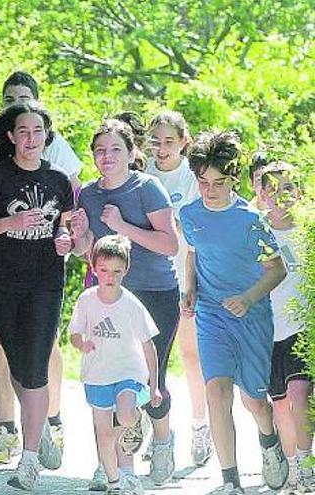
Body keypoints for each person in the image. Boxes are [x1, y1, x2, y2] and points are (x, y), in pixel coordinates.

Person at [71, 119, 180, 487]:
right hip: (108, 299)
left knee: (149, 383)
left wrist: (122, 225)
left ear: (131, 153)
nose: (107, 156)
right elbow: (87, 250)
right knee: (112, 380)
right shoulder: (88, 193)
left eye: (116, 149)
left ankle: (163, 439)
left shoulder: (147, 188)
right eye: (100, 150)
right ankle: (116, 466)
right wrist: (77, 237)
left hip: (153, 294)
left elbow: (170, 244)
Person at [179, 131, 288, 494]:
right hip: (212, 316)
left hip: (252, 316)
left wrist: (248, 297)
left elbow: (277, 269)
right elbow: (193, 253)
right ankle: (230, 481)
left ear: (234, 179)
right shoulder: (189, 213)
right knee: (217, 392)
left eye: (219, 183)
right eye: (203, 182)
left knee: (254, 400)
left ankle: (269, 439)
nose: (210, 190)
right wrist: (191, 289)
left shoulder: (250, 219)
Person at [0, 101, 74, 489]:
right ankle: (39, 429)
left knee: (34, 369)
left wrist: (68, 239)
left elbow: (67, 231)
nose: (31, 139)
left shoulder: (60, 180)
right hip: (0, 282)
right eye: (24, 132)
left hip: (45, 283)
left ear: (47, 137)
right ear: (12, 137)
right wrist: (11, 222)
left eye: (38, 132)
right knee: (18, 366)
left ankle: (28, 460)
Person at [144, 111, 213, 466]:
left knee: (190, 355)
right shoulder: (143, 173)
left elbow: (194, 230)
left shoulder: (191, 177)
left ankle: (201, 426)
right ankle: (149, 424)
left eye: (169, 141)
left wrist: (194, 283)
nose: (161, 148)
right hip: (150, 277)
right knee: (150, 359)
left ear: (184, 141)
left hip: (187, 274)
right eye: (155, 141)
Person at [69, 235, 161, 495]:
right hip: (97, 374)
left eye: (117, 271)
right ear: (94, 268)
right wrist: (80, 344)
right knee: (104, 435)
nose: (110, 276)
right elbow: (74, 332)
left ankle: (137, 421)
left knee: (124, 414)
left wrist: (154, 385)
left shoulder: (131, 304)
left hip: (128, 372)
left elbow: (147, 345)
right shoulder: (86, 300)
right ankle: (114, 481)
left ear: (125, 271)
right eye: (104, 270)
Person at [257, 161, 314, 492]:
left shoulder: (309, 232)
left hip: (301, 329)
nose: (281, 196)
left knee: (300, 394)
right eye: (273, 190)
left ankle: (307, 464)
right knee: (279, 403)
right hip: (265, 330)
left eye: (288, 188)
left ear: (300, 193)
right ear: (262, 194)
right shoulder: (255, 232)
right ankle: (292, 466)